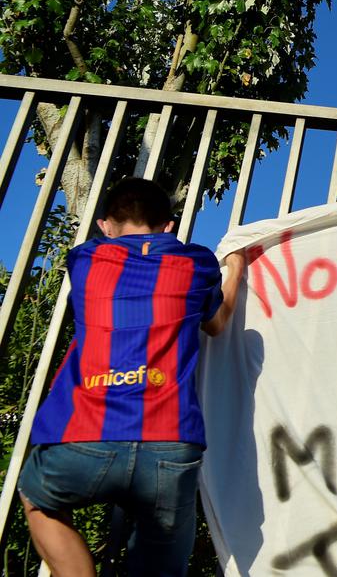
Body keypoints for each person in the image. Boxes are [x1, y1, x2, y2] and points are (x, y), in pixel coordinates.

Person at [17, 177, 245, 577]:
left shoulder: (85, 260)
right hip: (171, 443)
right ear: (168, 226)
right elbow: (218, 323)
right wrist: (237, 270)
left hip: (82, 436)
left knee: (38, 497)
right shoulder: (196, 264)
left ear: (105, 226)